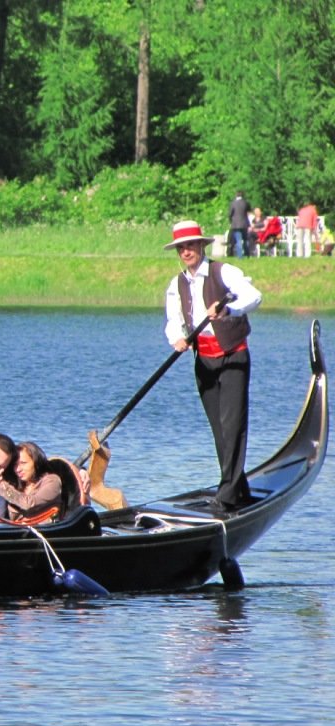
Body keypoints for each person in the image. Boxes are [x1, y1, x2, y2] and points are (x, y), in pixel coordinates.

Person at [163, 219, 263, 511]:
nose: (186, 251)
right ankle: (238, 488)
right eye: (181, 247)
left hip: (233, 355)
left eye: (191, 245)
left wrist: (228, 309)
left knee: (232, 427)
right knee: (220, 430)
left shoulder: (224, 271)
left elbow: (254, 296)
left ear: (201, 246)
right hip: (203, 361)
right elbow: (173, 321)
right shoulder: (177, 284)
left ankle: (227, 495)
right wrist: (177, 339)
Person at [0, 441, 63, 523]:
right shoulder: (17, 483)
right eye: (15, 465)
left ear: (36, 462)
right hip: (16, 529)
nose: (18, 469)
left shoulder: (52, 481)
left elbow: (29, 504)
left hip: (43, 530)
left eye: (23, 463)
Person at [228, 192, 251, 258]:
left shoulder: (233, 203)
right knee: (245, 240)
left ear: (236, 195)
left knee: (238, 240)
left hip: (236, 224)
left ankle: (240, 255)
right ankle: (247, 254)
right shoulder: (245, 203)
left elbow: (230, 214)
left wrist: (231, 221)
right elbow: (249, 210)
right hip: (244, 224)